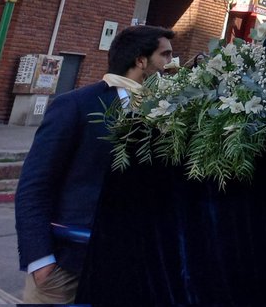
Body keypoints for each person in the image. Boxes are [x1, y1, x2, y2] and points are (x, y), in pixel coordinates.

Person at [15, 25, 174, 304]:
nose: (171, 63)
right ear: (140, 60)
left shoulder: (166, 112)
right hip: (68, 265)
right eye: (165, 55)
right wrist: (40, 261)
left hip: (129, 265)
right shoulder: (77, 105)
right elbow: (35, 185)